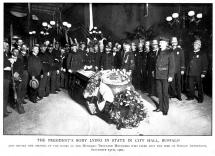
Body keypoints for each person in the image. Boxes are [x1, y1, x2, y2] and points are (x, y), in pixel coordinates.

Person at [153, 37, 175, 115]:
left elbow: (172, 65)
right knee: (159, 93)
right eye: (160, 42)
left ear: (166, 43)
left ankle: (165, 109)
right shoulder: (158, 51)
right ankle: (160, 107)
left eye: (162, 42)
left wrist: (170, 76)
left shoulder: (170, 52)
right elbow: (156, 63)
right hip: (158, 75)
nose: (160, 44)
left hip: (165, 76)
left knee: (165, 93)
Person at [3, 41, 13, 117]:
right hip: (3, 77)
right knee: (4, 95)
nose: (7, 47)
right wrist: (7, 67)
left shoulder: (6, 54)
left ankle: (5, 110)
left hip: (7, 76)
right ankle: (3, 111)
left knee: (6, 94)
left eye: (7, 46)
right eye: (6, 46)